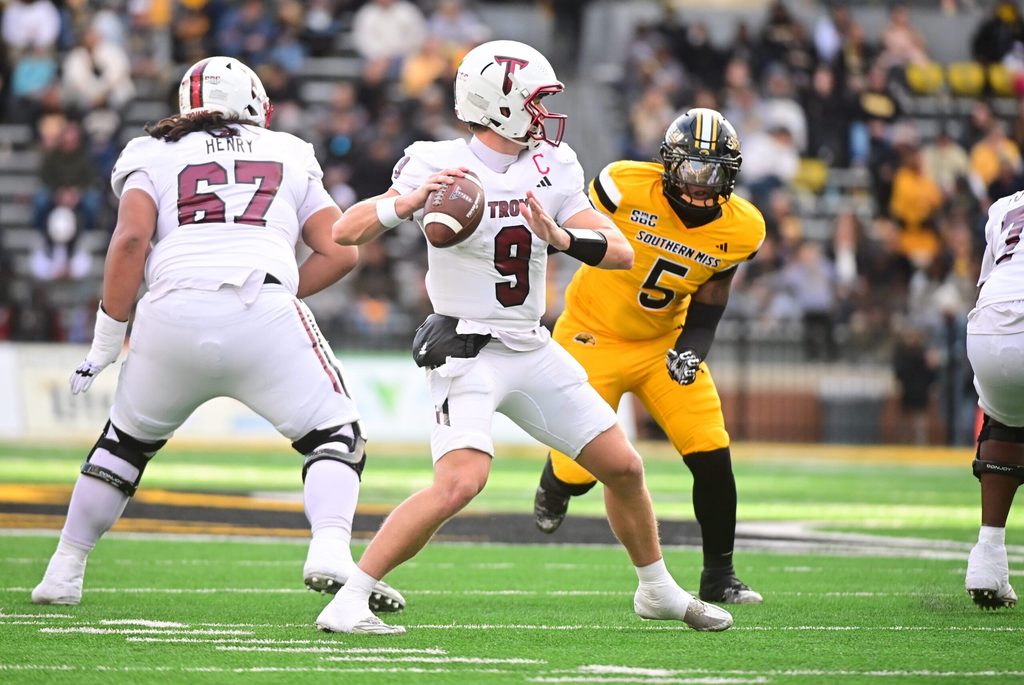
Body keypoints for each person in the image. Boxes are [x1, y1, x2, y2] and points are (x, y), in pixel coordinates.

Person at [319, 40, 734, 635]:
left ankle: (657, 591)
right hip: (466, 348)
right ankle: (351, 597)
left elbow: (619, 250)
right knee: (462, 483)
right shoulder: (433, 160)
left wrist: (561, 238)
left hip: (532, 347)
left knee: (624, 466)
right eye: (536, 101)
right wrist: (405, 202)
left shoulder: (555, 166)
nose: (543, 114)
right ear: (501, 103)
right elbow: (343, 229)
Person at [31, 56, 405, 614]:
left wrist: (107, 341)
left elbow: (130, 241)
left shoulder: (151, 150)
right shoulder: (288, 149)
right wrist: (278, 299)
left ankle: (63, 569)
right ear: (252, 102)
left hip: (171, 313)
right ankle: (329, 547)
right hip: (263, 303)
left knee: (122, 447)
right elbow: (342, 249)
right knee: (335, 436)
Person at [531, 109, 766, 605]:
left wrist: (690, 351)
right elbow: (566, 232)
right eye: (691, 169)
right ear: (668, 165)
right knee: (579, 476)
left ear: (732, 173)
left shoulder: (744, 228)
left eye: (713, 171)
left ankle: (719, 575)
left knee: (712, 455)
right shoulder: (622, 185)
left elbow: (709, 307)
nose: (701, 185)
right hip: (591, 336)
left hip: (661, 344)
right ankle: (555, 482)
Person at [964, 188, 1024, 610]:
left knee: (1003, 420)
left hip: (990, 324)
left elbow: (985, 281)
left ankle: (988, 555)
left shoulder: (1005, 205)